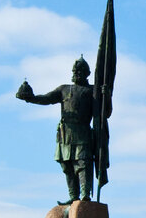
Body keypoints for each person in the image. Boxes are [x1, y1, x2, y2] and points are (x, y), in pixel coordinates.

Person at [16, 57, 110, 204]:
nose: (76, 73)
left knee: (83, 164)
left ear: (87, 73)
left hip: (83, 133)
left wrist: (106, 97)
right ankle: (74, 197)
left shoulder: (93, 91)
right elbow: (46, 99)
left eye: (80, 71)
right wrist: (30, 98)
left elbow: (105, 114)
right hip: (65, 134)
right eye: (75, 71)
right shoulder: (64, 89)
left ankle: (85, 196)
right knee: (67, 166)